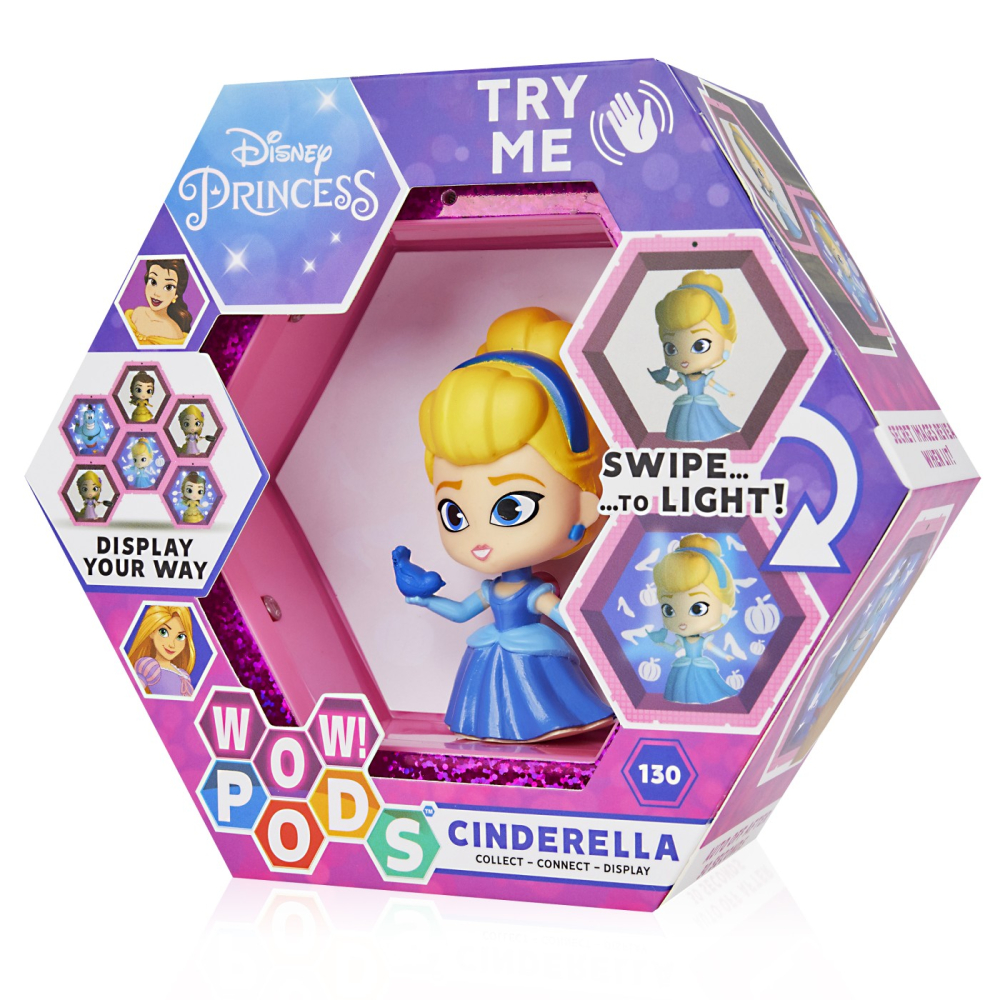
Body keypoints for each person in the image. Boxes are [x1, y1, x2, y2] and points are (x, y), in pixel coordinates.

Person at [392, 307, 613, 742]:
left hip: (531, 653)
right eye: (454, 513)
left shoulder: (535, 593)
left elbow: (569, 621)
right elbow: (461, 613)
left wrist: (598, 625)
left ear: (587, 503)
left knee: (541, 696)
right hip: (493, 648)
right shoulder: (491, 589)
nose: (480, 538)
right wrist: (427, 600)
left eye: (511, 509)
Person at [648, 271, 740, 441]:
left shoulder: (705, 378)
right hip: (685, 403)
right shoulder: (683, 377)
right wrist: (664, 382)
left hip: (702, 403)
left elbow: (716, 386)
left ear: (726, 344)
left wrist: (727, 393)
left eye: (700, 346)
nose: (684, 359)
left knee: (707, 424)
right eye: (671, 348)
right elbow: (675, 387)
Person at [649, 534, 737, 704]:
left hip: (700, 664)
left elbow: (712, 648)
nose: (682, 621)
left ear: (724, 606)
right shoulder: (681, 640)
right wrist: (661, 644)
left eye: (698, 608)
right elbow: (672, 648)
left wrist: (725, 656)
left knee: (705, 685)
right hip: (683, 665)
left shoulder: (703, 641)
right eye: (669, 609)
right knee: (681, 687)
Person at [127, 605, 196, 697]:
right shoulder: (149, 667)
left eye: (180, 637)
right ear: (152, 632)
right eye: (163, 632)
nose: (172, 644)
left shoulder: (183, 674)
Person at [124, 259, 193, 345]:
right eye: (153, 282)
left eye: (168, 287)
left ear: (176, 295)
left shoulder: (173, 332)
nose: (157, 293)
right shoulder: (137, 313)